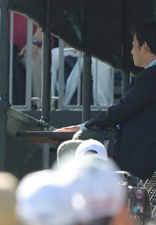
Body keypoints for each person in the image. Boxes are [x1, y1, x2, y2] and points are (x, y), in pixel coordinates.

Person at [57, 23, 156, 181]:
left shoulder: (150, 76)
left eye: (134, 45)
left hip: (139, 159)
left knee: (68, 150)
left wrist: (85, 126)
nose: (131, 51)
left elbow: (122, 110)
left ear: (144, 47)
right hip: (139, 154)